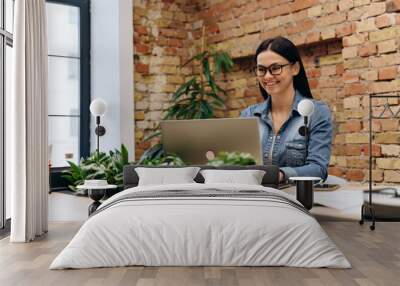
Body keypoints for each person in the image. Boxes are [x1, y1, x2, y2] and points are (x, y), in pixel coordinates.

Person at [241, 36, 332, 183]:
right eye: (261, 70)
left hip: (296, 200)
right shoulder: (249, 115)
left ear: (295, 68)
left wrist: (280, 174)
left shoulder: (316, 113)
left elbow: (318, 169)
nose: (268, 76)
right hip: (255, 198)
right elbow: (239, 163)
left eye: (275, 68)